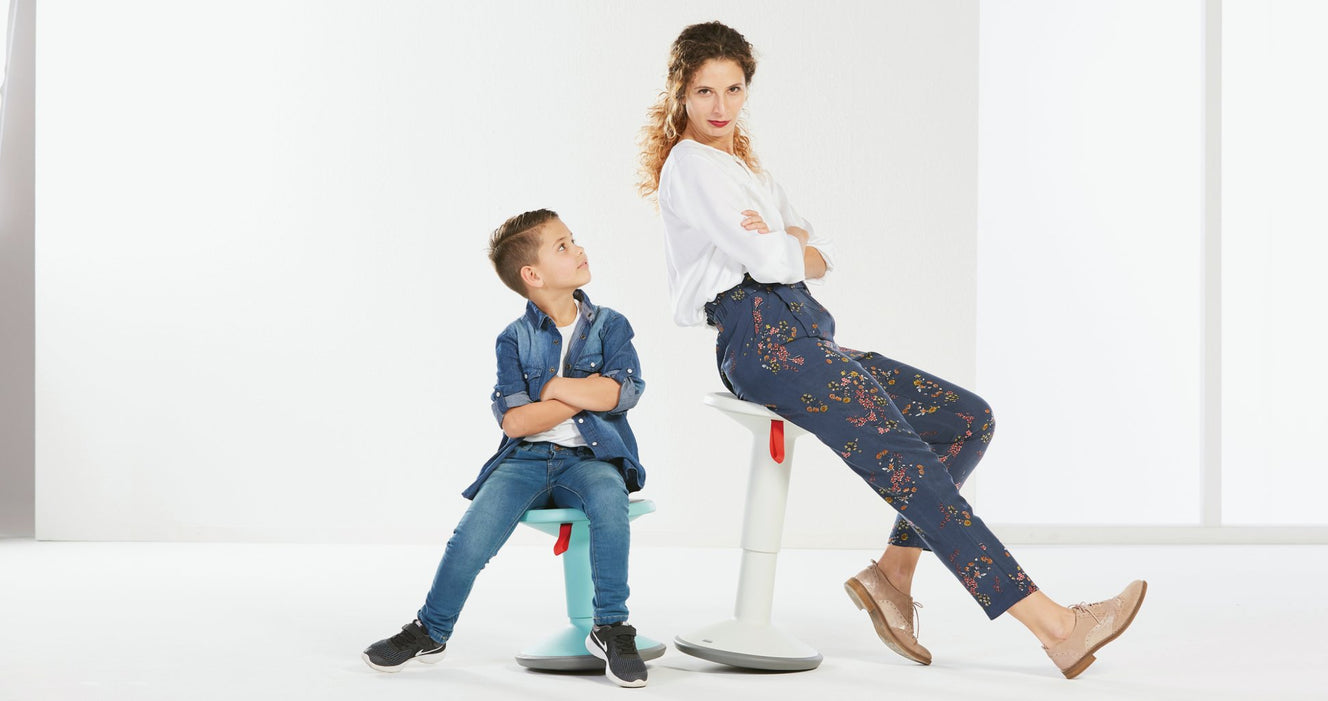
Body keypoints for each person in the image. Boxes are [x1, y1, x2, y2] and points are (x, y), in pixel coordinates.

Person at [639, 21, 1145, 679]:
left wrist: (790, 246)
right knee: (907, 461)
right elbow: (774, 257)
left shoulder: (743, 169)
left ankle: (893, 575)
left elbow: (811, 244)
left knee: (967, 419)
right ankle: (1057, 626)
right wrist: (789, 248)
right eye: (705, 90)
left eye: (733, 89)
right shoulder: (690, 165)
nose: (719, 105)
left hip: (805, 336)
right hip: (763, 342)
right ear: (681, 92)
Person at [361, 209, 652, 688]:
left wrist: (552, 389)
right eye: (563, 246)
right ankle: (430, 630)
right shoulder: (513, 339)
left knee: (609, 503)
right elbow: (516, 421)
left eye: (573, 239)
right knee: (469, 538)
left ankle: (611, 627)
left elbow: (624, 393)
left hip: (592, 458)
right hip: (525, 461)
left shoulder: (611, 326)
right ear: (532, 275)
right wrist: (582, 391)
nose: (579, 249)